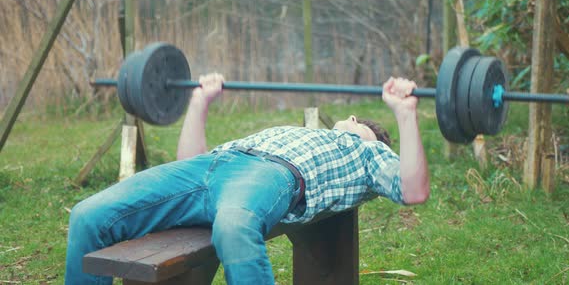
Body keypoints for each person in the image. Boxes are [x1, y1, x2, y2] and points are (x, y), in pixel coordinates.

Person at [64, 73, 430, 284]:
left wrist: (404, 113)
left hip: (271, 174)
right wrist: (200, 102)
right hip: (212, 164)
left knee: (234, 230)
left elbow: (413, 190)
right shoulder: (304, 131)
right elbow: (191, 160)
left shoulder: (368, 152)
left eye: (359, 124)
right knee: (89, 214)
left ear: (355, 123)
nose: (352, 123)